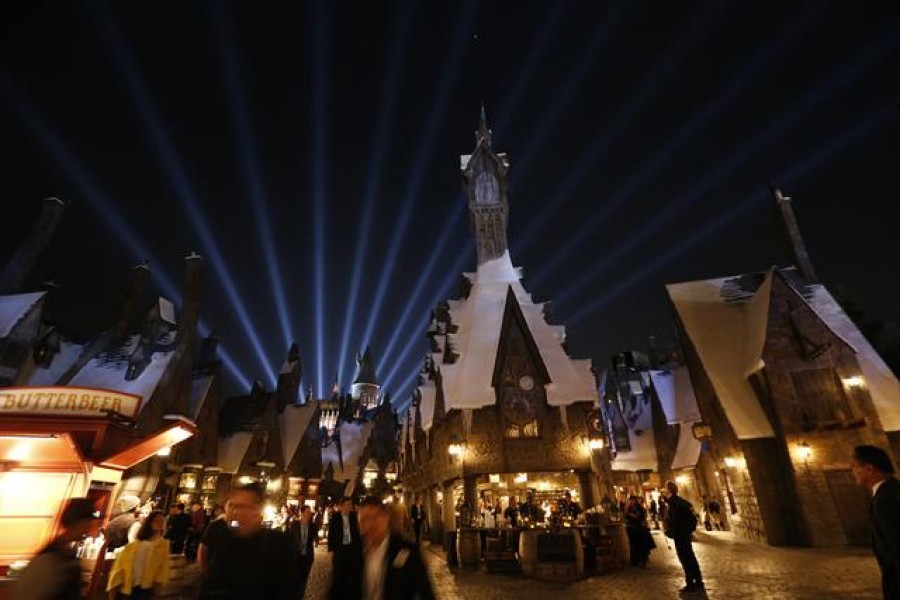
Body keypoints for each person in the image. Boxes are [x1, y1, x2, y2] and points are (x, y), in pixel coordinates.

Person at [200, 483, 298, 599]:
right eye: (233, 506)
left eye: (244, 507)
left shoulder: (278, 544)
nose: (237, 512)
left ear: (258, 510)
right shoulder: (220, 531)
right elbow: (204, 553)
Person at [329, 497, 435, 600]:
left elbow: (425, 591)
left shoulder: (407, 550)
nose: (370, 524)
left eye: (375, 517)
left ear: (386, 518)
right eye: (364, 519)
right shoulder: (348, 553)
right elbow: (336, 592)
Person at [13, 497, 100, 600]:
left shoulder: (62, 553)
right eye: (90, 521)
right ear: (81, 521)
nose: (91, 527)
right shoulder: (53, 559)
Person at [851, 445, 900, 599]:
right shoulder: (891, 490)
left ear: (869, 469)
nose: (853, 472)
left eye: (854, 467)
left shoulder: (886, 499)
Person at [106, 511, 170, 599]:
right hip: (127, 590)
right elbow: (119, 569)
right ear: (149, 523)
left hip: (146, 591)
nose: (160, 523)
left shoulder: (163, 547)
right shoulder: (133, 547)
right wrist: (113, 588)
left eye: (162, 521)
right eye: (156, 521)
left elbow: (162, 570)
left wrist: (157, 588)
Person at [664, 480, 703, 593]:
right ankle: (698, 581)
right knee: (691, 556)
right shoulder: (681, 501)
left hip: (680, 534)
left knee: (685, 558)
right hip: (685, 533)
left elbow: (675, 519)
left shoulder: (673, 502)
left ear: (669, 490)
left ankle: (690, 583)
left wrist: (668, 524)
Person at [288, 505, 318, 599]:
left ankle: (300, 595)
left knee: (304, 578)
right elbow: (289, 538)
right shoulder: (295, 524)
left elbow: (315, 537)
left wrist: (316, 541)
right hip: (296, 556)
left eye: (310, 513)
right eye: (307, 512)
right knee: (295, 578)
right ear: (302, 513)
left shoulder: (312, 526)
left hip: (307, 556)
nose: (309, 514)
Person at [624, 496, 653, 567]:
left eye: (632, 500)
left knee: (640, 544)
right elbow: (626, 516)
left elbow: (641, 517)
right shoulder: (629, 508)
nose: (631, 502)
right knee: (633, 544)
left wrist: (633, 515)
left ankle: (642, 560)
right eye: (630, 500)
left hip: (639, 528)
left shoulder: (638, 507)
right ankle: (634, 560)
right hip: (631, 529)